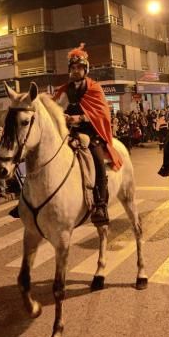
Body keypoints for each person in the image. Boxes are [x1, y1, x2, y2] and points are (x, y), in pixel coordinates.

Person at [53, 43, 122, 226]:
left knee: (98, 162)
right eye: (73, 68)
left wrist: (78, 118)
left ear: (86, 69)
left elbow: (102, 114)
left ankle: (100, 205)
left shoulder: (94, 88)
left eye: (79, 68)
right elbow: (55, 109)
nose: (76, 71)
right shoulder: (64, 91)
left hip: (91, 134)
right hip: (69, 134)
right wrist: (61, 116)